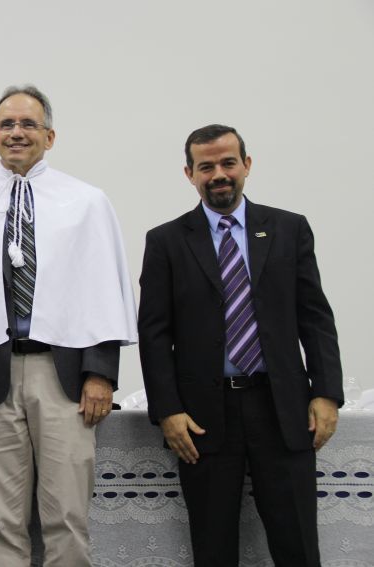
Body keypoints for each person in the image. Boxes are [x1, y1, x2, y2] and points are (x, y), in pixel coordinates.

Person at [0, 85, 137, 566]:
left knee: (67, 516)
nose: (17, 133)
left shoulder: (87, 202)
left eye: (28, 124)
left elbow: (101, 287)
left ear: (49, 137)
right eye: (7, 125)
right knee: (1, 520)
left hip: (64, 374)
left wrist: (101, 373)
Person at [138, 124, 343, 566]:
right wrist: (168, 410)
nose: (219, 174)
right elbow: (154, 334)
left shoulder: (288, 229)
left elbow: (315, 316)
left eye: (228, 163)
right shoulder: (166, 241)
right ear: (189, 174)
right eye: (206, 166)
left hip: (282, 409)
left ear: (246, 165)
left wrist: (326, 393)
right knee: (213, 549)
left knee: (298, 547)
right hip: (203, 420)